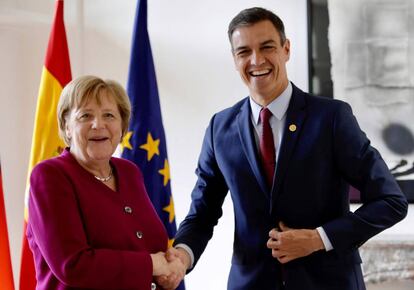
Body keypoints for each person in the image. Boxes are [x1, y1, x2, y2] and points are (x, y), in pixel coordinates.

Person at [159, 7, 409, 290]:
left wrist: (319, 238)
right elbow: (202, 214)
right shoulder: (220, 128)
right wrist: (181, 256)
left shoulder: (331, 118)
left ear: (286, 49)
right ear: (234, 59)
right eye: (244, 52)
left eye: (267, 47)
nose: (256, 60)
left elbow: (391, 201)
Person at [27, 75, 184, 290]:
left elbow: (148, 244)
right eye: (85, 116)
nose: (98, 124)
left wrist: (169, 261)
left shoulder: (129, 172)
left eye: (109, 115)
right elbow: (72, 264)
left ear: (122, 126)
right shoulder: (49, 176)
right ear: (67, 126)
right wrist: (151, 264)